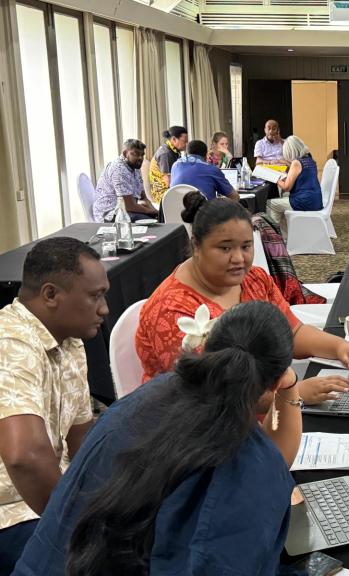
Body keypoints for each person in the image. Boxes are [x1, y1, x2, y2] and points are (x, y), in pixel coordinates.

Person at [12, 302, 302, 576]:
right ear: (275, 382)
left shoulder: (138, 403)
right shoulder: (256, 468)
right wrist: (291, 388)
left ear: (206, 349)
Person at [135, 196, 349, 405]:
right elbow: (212, 392)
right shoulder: (171, 311)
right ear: (196, 245)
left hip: (268, 402)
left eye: (246, 246)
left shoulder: (254, 279)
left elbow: (291, 332)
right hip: (201, 426)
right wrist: (295, 395)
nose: (239, 258)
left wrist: (339, 347)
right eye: (225, 248)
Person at [0, 238, 108, 574]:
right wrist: (80, 529)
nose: (104, 308)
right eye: (95, 296)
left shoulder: (69, 339)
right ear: (50, 295)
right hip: (10, 513)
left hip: (48, 497)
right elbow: (25, 458)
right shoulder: (10, 343)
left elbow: (82, 442)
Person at [91, 139, 159, 222]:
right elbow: (129, 205)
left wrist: (154, 211)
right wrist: (151, 211)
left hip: (125, 210)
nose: (140, 158)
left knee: (156, 218)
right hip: (109, 214)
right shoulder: (119, 170)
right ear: (125, 153)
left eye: (142, 155)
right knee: (152, 222)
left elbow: (143, 196)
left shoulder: (135, 166)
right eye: (136, 154)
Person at [266, 135, 323, 224]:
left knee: (271, 203)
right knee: (282, 201)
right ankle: (286, 233)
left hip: (304, 202)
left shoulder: (296, 163)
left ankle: (275, 234)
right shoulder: (309, 159)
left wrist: (274, 178)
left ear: (291, 151)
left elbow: (286, 187)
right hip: (315, 200)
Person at [170, 139, 239, 202]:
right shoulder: (211, 169)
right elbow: (234, 197)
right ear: (206, 155)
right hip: (204, 214)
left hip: (177, 213)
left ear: (187, 153)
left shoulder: (175, 166)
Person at [149, 126, 188, 205]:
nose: (186, 144)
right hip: (162, 192)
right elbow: (168, 181)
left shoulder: (174, 151)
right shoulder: (165, 154)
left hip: (169, 188)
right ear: (174, 139)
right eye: (184, 141)